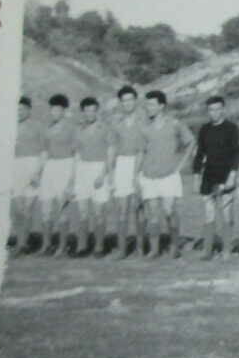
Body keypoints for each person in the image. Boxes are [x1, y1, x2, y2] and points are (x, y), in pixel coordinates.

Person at [135, 90, 195, 259]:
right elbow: (141, 152)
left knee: (169, 212)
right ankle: (154, 250)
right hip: (149, 175)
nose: (148, 108)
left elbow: (191, 142)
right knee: (152, 215)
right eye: (147, 104)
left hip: (169, 175)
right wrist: (136, 175)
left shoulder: (175, 124)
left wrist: (181, 166)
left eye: (152, 104)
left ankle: (174, 246)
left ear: (161, 106)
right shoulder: (144, 127)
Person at [192, 95, 239, 260]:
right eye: (211, 110)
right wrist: (196, 175)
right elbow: (199, 154)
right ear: (208, 111)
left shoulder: (232, 129)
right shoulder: (204, 129)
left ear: (223, 110)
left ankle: (227, 249)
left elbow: (237, 153)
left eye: (218, 109)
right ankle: (207, 250)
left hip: (226, 175)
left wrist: (233, 175)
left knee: (226, 213)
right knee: (208, 213)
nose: (214, 113)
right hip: (209, 176)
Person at [71, 97, 114, 258]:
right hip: (82, 169)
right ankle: (82, 246)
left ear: (97, 111)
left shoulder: (105, 128)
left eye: (93, 110)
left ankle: (99, 246)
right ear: (82, 112)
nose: (90, 113)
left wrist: (103, 174)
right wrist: (73, 178)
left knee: (98, 211)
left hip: (98, 168)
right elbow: (76, 154)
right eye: (86, 110)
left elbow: (110, 153)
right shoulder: (78, 129)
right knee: (82, 211)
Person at [36, 93, 77, 256]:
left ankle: (62, 246)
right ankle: (46, 245)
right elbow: (44, 152)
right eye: (52, 110)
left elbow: (76, 155)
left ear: (64, 111)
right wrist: (38, 172)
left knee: (62, 208)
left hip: (65, 165)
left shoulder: (71, 128)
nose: (55, 113)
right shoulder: (47, 128)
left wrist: (71, 180)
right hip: (49, 167)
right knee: (45, 208)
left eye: (58, 110)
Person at [110, 85, 146, 258]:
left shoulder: (144, 119)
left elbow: (147, 145)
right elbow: (112, 148)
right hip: (122, 164)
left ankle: (140, 247)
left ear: (136, 101)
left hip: (140, 163)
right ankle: (122, 248)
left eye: (130, 99)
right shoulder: (116, 122)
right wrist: (110, 171)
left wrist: (138, 172)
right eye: (124, 100)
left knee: (138, 207)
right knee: (121, 208)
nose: (127, 103)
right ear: (120, 103)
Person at [9, 96, 42, 255]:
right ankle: (19, 241)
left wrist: (37, 172)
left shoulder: (37, 127)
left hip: (32, 166)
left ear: (29, 110)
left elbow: (44, 151)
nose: (19, 112)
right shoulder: (9, 127)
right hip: (15, 167)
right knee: (17, 208)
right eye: (17, 110)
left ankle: (23, 243)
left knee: (27, 208)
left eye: (22, 109)